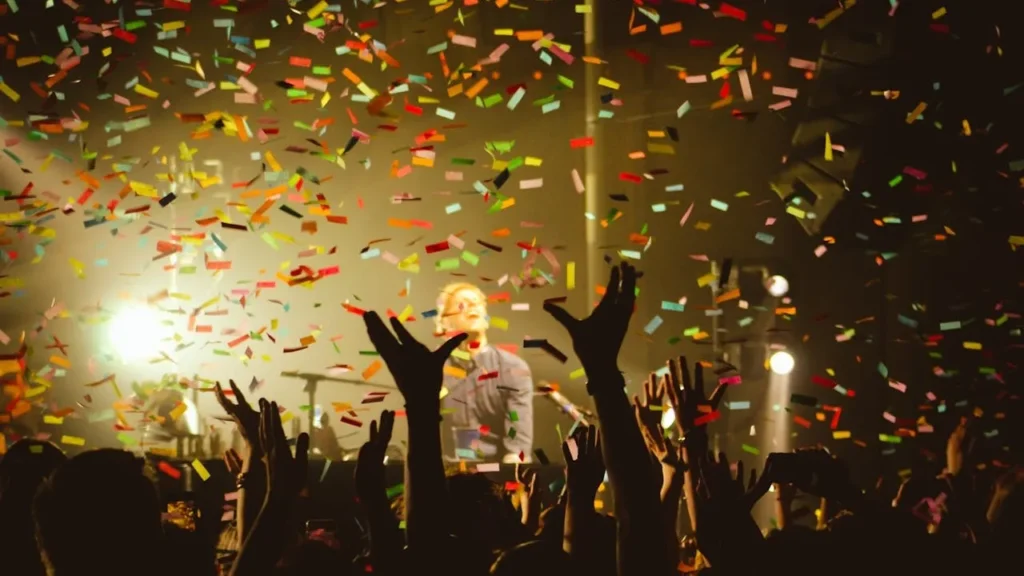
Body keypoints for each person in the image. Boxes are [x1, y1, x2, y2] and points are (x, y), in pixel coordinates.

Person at [435, 282, 534, 463]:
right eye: (462, 304)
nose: (472, 306)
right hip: (445, 475)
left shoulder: (512, 368)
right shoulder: (434, 368)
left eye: (477, 303)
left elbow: (518, 444)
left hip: (496, 475)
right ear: (445, 320)